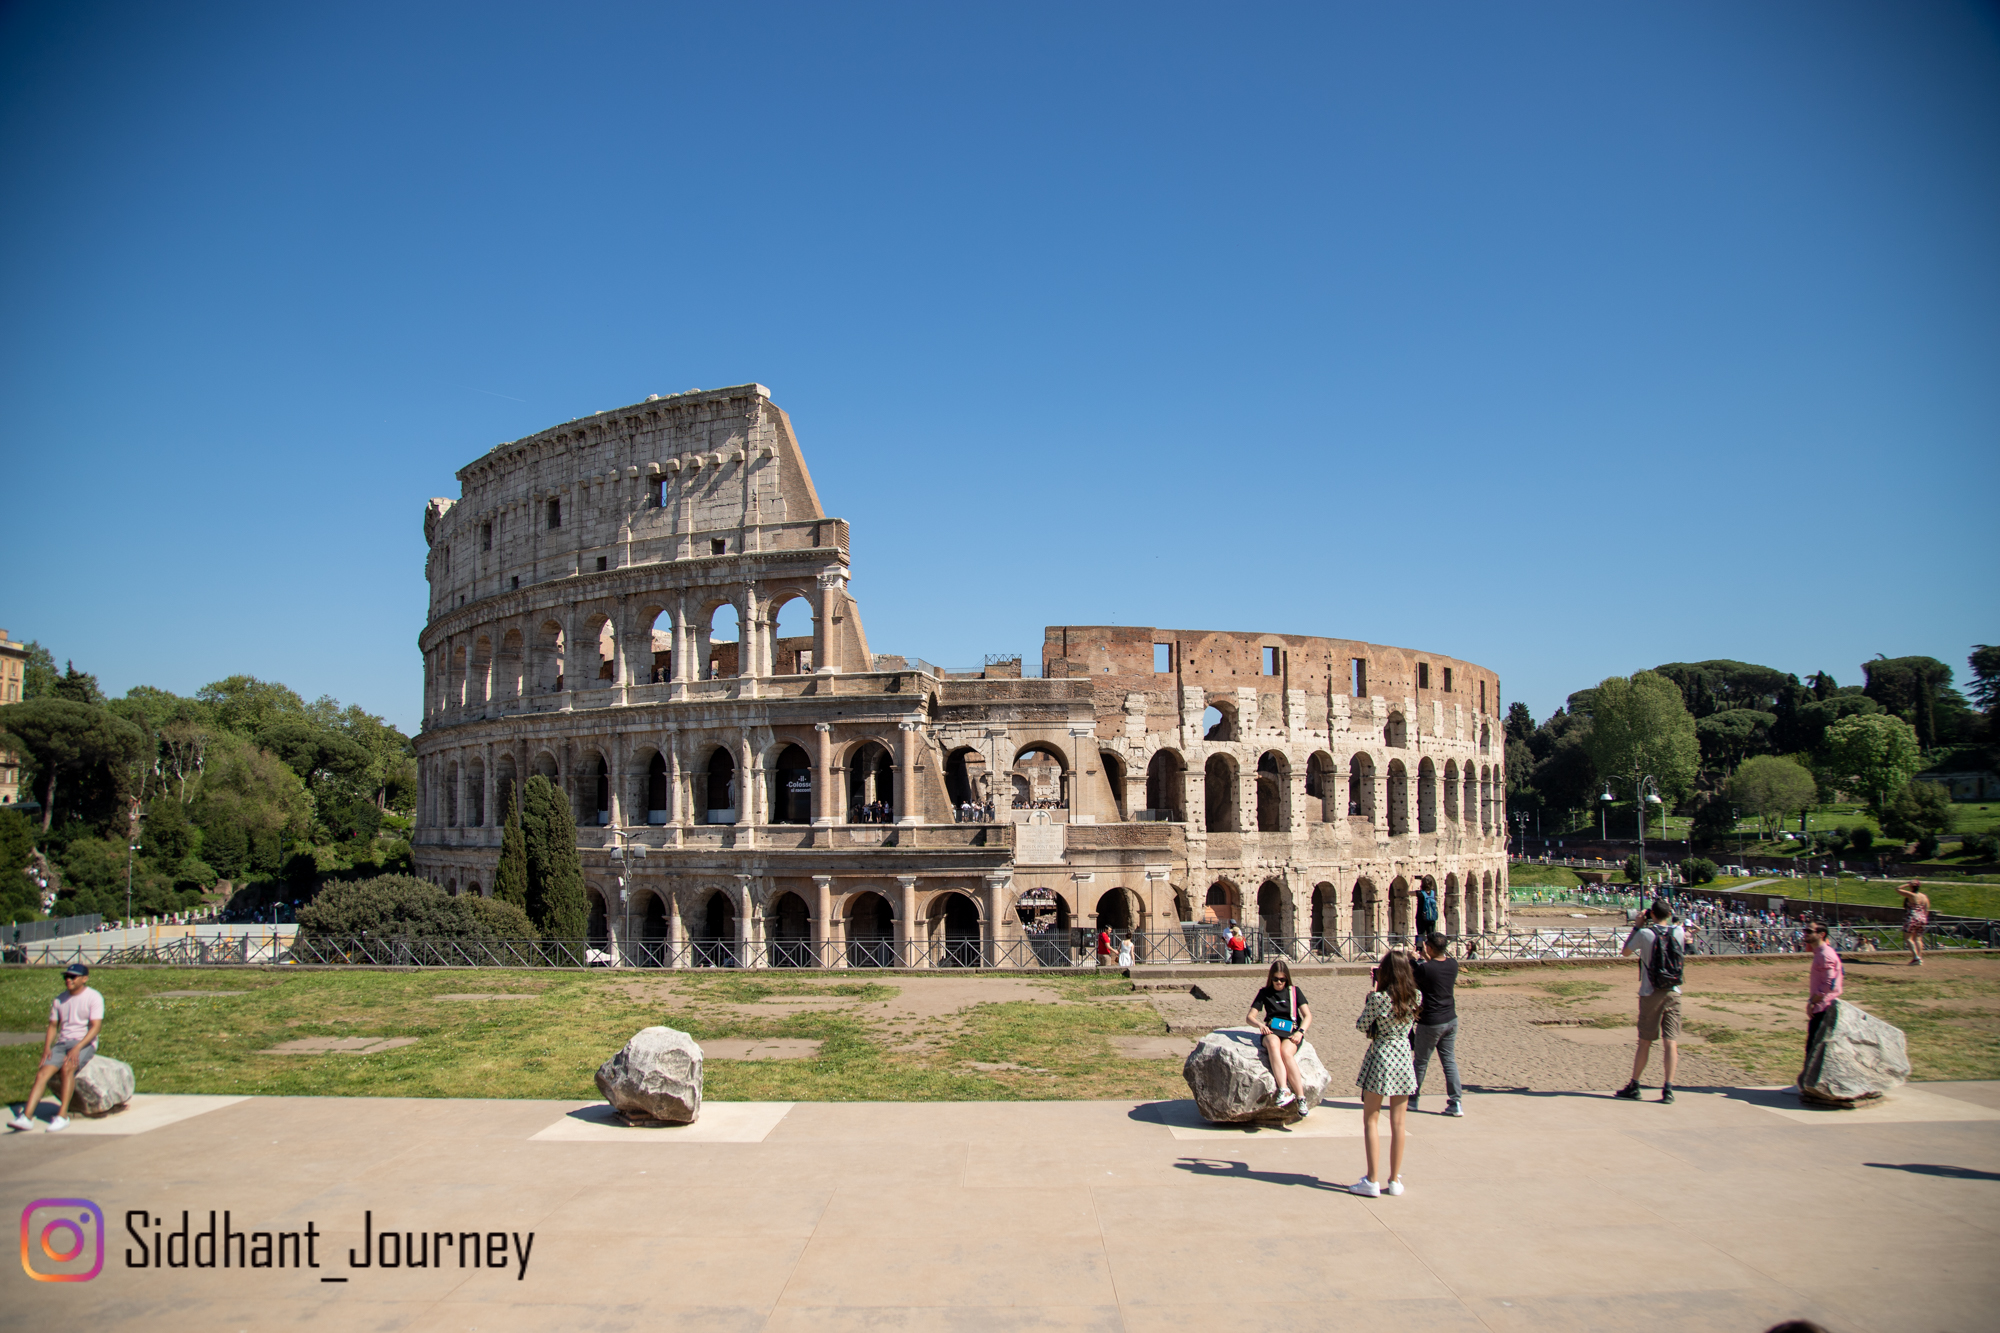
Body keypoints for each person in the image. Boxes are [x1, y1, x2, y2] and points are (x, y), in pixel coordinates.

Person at [1351, 950, 1419, 1197]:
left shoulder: (1378, 999)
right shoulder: (1415, 996)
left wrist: (1372, 995)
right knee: (1399, 1123)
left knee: (1371, 1119)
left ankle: (1371, 1180)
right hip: (1403, 1056)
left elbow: (1362, 1025)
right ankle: (1394, 1180)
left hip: (1381, 1056)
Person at [8, 963, 104, 1133]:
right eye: (66, 976)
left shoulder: (94, 997)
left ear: (84, 979)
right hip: (62, 1043)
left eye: (73, 977)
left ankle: (62, 1116)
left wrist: (78, 1047)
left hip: (84, 1042)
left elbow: (95, 1027)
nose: (68, 980)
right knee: (42, 1073)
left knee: (67, 1068)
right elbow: (53, 1026)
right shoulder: (59, 999)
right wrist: (47, 1048)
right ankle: (26, 1117)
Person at [1614, 901, 1684, 1104]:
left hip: (1650, 992)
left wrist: (1637, 925)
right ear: (1669, 914)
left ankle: (1635, 1085)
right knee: (1671, 1042)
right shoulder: (1678, 932)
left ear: (1650, 914)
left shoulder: (1645, 934)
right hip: (1673, 991)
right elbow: (1680, 929)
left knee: (1645, 1041)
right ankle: (1668, 1089)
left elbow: (1626, 951)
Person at [1247, 959, 1313, 1114]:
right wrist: (1260, 1025)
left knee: (1286, 1053)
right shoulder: (1264, 992)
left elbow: (1308, 1015)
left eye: (1282, 980)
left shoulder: (1295, 991)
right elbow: (1250, 1016)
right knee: (1273, 1046)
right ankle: (1283, 1089)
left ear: (1287, 979)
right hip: (1272, 1029)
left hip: (1292, 1029)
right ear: (1271, 978)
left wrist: (1300, 1032)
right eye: (1275, 979)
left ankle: (1301, 1097)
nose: (1278, 982)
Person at [1409, 932, 1464, 1117]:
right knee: (1449, 1061)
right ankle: (1456, 1102)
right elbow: (1435, 969)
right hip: (1450, 1018)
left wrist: (1413, 960)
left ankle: (1413, 1099)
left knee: (1421, 1062)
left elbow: (1414, 978)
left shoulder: (1425, 969)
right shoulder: (1453, 964)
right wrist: (1426, 958)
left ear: (1429, 947)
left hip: (1431, 1021)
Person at [1802, 920, 1843, 1071]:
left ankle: (1807, 1082)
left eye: (1809, 931)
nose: (1805, 933)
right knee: (1815, 1047)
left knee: (1814, 1047)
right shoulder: (1821, 953)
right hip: (1823, 1005)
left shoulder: (1824, 956)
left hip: (1823, 1007)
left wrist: (1812, 1002)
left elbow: (1828, 984)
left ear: (1821, 934)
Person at [1896, 881, 1929, 965]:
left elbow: (1897, 889)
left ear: (1912, 887)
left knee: (1908, 938)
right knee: (1918, 938)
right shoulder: (1924, 896)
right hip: (1922, 918)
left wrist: (1907, 884)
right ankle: (1919, 957)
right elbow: (1926, 909)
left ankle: (1915, 957)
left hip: (1913, 917)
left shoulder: (1912, 895)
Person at [1414, 881, 1439, 946]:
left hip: (1421, 918)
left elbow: (1408, 892)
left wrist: (1412, 882)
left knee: (1420, 935)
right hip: (1431, 918)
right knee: (1431, 935)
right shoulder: (1433, 893)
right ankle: (1432, 948)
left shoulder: (1420, 893)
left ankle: (1419, 948)